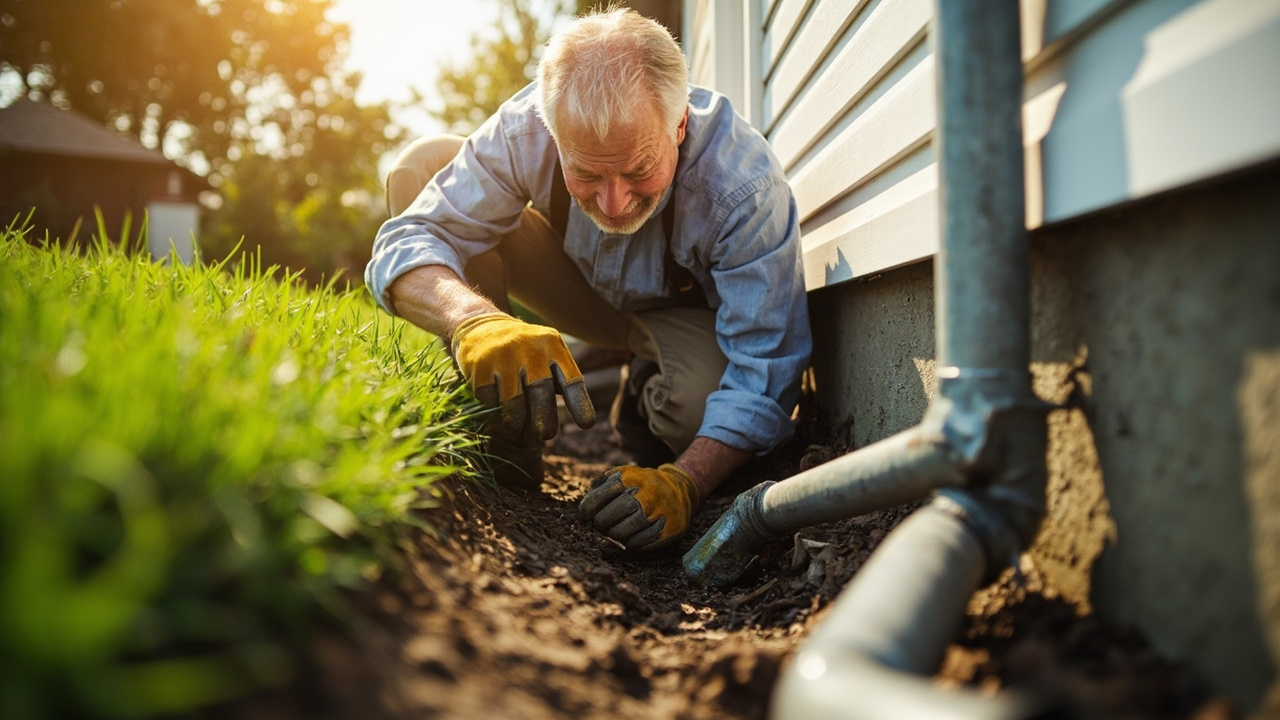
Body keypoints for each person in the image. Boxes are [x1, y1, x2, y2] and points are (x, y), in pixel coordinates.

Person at [365, 7, 811, 552]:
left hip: (680, 315)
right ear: (552, 133)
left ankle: (644, 390)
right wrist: (475, 322)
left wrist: (685, 482)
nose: (614, 203)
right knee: (425, 164)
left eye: (639, 169)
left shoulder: (744, 187)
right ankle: (504, 427)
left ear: (679, 125)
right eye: (586, 172)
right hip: (578, 288)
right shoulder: (527, 128)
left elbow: (765, 372)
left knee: (696, 416)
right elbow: (408, 240)